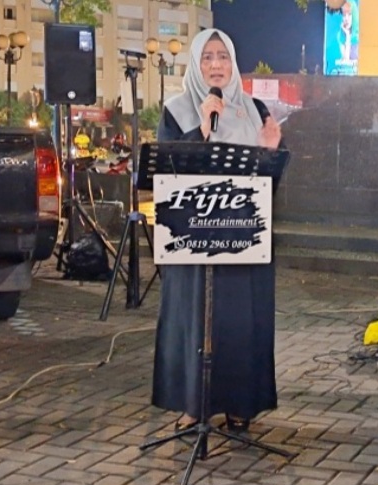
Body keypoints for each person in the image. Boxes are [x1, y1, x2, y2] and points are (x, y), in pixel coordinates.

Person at [151, 28, 283, 432]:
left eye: (223, 57)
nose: (216, 65)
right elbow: (164, 173)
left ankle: (240, 403)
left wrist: (270, 152)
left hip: (243, 235)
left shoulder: (255, 110)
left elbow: (269, 185)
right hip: (192, 238)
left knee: (241, 321)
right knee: (195, 319)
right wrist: (202, 132)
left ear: (233, 63)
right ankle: (194, 404)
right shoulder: (176, 112)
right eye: (207, 57)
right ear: (196, 64)